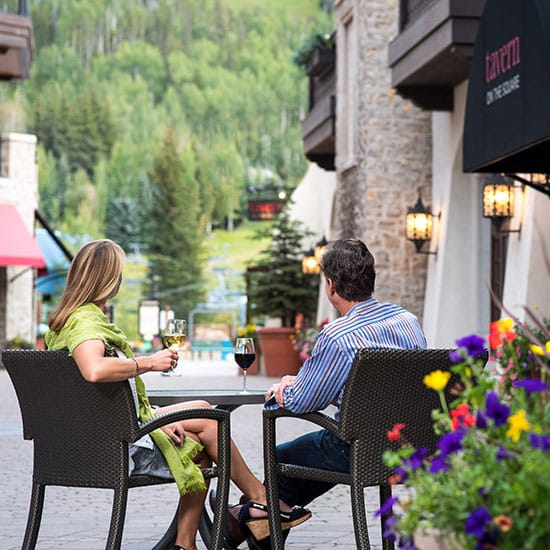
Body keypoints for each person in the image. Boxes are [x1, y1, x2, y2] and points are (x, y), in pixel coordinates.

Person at [45, 239, 310, 550]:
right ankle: (259, 501)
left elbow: (103, 397)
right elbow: (94, 370)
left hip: (99, 435)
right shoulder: (86, 321)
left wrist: (156, 420)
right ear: (108, 279)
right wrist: (149, 362)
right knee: (210, 427)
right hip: (113, 448)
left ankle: (188, 543)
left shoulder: (66, 319)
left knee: (201, 420)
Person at [262, 238, 427, 547]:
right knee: (308, 454)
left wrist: (284, 388)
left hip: (357, 449)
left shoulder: (338, 336)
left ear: (331, 286)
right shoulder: (408, 321)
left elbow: (303, 401)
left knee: (280, 458)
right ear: (370, 280)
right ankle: (252, 516)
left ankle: (254, 520)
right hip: (409, 446)